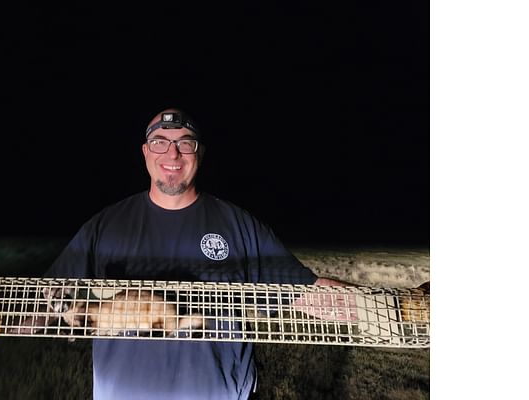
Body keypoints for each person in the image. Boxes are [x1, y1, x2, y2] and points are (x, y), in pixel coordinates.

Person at [42, 108, 352, 400]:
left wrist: (372, 309)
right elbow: (43, 296)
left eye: (184, 143)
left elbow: (301, 293)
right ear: (146, 152)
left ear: (199, 153)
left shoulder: (238, 224)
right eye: (160, 142)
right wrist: (2, 319)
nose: (172, 154)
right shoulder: (105, 225)